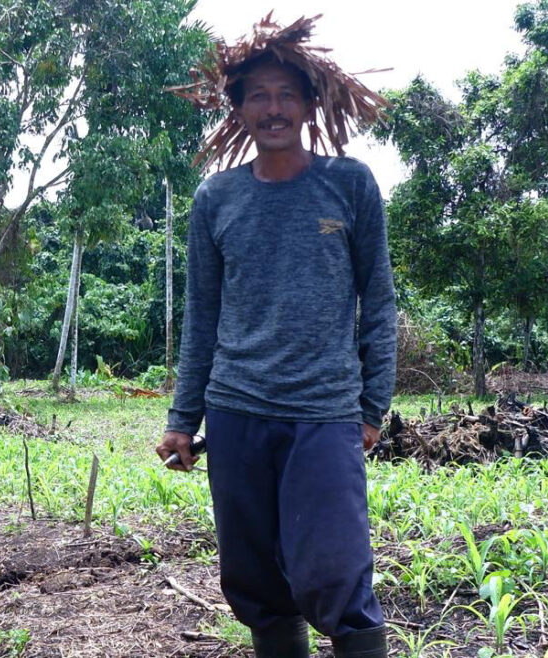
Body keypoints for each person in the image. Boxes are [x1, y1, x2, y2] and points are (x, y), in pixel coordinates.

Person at [158, 13, 396, 658]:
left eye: (286, 94)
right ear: (237, 111)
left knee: (336, 573)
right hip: (237, 411)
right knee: (254, 579)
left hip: (323, 410)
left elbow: (377, 299)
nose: (273, 107)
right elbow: (202, 317)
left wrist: (373, 405)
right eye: (258, 95)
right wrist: (184, 418)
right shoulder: (217, 198)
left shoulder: (349, 184)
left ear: (310, 104)